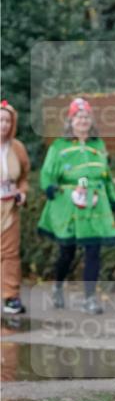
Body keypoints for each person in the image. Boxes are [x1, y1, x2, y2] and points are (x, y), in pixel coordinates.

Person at [37, 97, 115, 314]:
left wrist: (112, 198)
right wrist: (49, 187)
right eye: (78, 117)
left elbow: (106, 175)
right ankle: (57, 286)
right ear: (71, 120)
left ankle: (89, 299)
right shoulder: (59, 146)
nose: (83, 121)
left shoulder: (98, 145)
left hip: (95, 202)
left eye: (86, 117)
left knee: (93, 249)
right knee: (67, 251)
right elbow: (47, 172)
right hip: (68, 203)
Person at [0, 100, 30, 315]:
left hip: (9, 207)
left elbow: (24, 177)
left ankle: (11, 297)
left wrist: (22, 192)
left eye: (7, 121)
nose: (3, 125)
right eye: (0, 120)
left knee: (10, 253)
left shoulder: (17, 148)